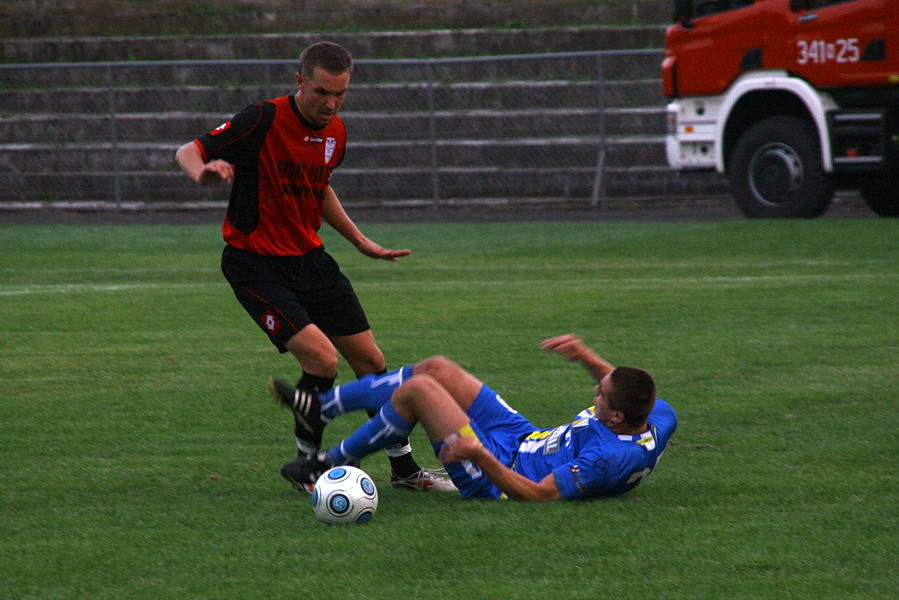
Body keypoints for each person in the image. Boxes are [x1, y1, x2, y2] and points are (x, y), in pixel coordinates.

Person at [174, 41, 453, 492]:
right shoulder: (261, 119)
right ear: (300, 81)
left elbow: (318, 189)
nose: (331, 103)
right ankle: (309, 467)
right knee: (322, 360)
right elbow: (188, 150)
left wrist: (362, 242)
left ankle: (404, 469)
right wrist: (202, 173)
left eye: (341, 94)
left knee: (371, 361)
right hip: (255, 265)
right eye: (322, 91)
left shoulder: (336, 133)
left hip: (311, 261)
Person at [279, 334, 678, 500]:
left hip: (500, 472)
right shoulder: (656, 415)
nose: (596, 393)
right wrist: (586, 355)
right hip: (523, 437)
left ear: (618, 417)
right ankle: (322, 407)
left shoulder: (608, 459)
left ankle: (328, 462)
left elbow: (538, 495)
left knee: (419, 391)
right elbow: (618, 384)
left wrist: (478, 454)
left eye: (601, 398)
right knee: (437, 368)